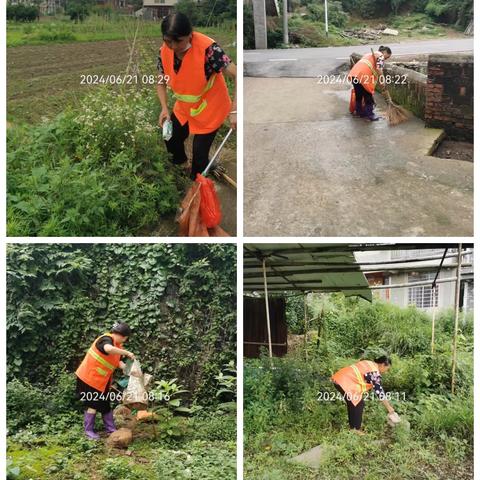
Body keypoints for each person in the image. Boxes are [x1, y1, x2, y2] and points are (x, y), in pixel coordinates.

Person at [157, 13, 237, 180]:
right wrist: (164, 108)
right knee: (170, 137)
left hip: (210, 109)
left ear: (190, 35)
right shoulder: (164, 51)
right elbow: (161, 81)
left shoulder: (209, 50)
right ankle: (183, 166)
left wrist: (235, 110)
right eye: (167, 41)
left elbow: (236, 74)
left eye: (178, 41)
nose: (172, 46)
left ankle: (197, 185)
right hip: (186, 109)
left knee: (200, 157)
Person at [75, 322, 136, 440]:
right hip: (89, 378)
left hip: (100, 381)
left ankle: (111, 430)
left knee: (105, 404)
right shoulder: (106, 339)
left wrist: (129, 370)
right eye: (125, 338)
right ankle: (89, 431)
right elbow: (107, 349)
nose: (124, 341)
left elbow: (117, 362)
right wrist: (127, 353)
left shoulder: (117, 346)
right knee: (93, 404)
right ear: (123, 336)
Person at [331, 356, 398, 435]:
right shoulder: (374, 372)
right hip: (345, 382)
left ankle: (353, 428)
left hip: (339, 378)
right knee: (359, 404)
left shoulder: (369, 363)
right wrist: (389, 408)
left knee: (353, 403)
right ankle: (355, 429)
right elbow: (379, 391)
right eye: (387, 369)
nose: (386, 371)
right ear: (383, 364)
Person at [347, 46, 392, 121]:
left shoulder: (368, 54)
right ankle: (370, 115)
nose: (385, 59)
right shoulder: (380, 56)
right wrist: (382, 80)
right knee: (368, 95)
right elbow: (379, 69)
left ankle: (359, 112)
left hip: (355, 74)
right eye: (387, 57)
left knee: (359, 95)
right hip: (363, 76)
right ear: (384, 52)